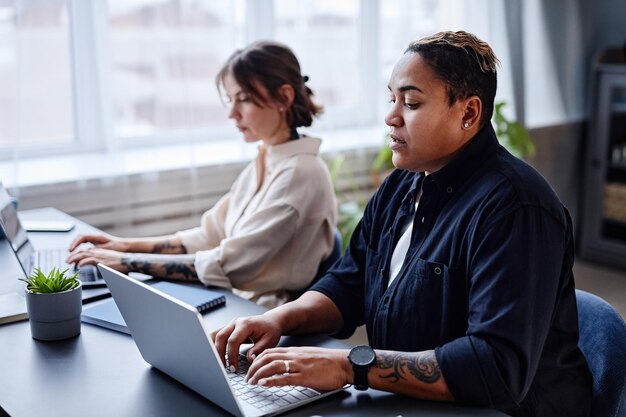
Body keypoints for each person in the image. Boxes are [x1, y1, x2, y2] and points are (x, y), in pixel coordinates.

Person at [211, 31, 592, 416]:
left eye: (411, 102)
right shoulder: (404, 182)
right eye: (392, 99)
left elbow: (493, 367)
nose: (391, 116)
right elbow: (350, 280)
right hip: (408, 404)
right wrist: (277, 319)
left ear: (469, 113)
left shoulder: (516, 209)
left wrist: (350, 365)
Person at [67, 41, 337, 308]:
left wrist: (128, 262)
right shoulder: (269, 158)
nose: (232, 113)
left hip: (264, 318)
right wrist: (124, 246)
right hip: (238, 303)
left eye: (243, 99)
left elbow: (230, 264)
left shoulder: (300, 174)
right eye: (230, 100)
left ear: (284, 97)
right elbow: (209, 235)